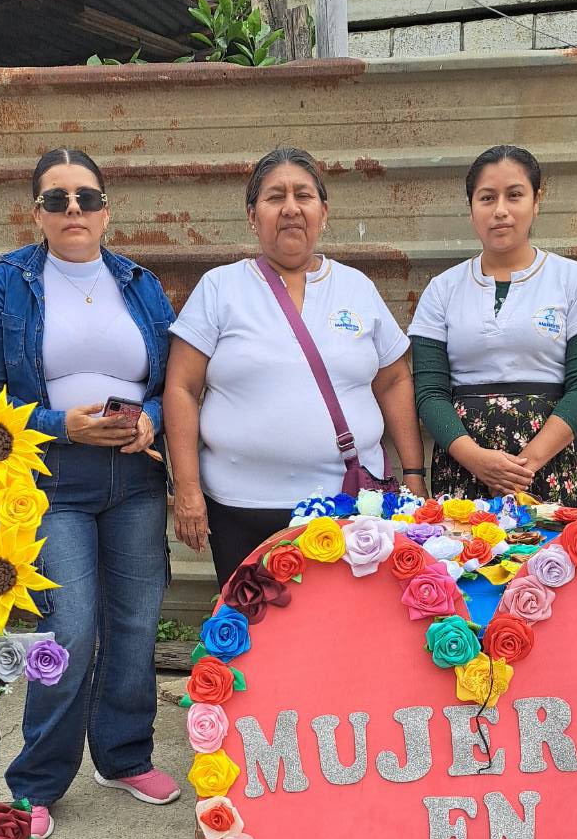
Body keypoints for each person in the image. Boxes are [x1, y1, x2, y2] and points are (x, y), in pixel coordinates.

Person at [0, 147, 179, 839]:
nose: (74, 209)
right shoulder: (5, 285)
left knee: (136, 623)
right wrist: (62, 426)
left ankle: (124, 756)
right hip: (52, 482)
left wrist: (152, 419)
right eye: (58, 199)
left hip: (136, 479)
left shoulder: (140, 284)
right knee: (71, 627)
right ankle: (37, 781)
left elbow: (175, 383)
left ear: (107, 210)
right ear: (38, 213)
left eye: (87, 197)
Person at [164, 146, 427, 587]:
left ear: (323, 212)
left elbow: (395, 379)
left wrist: (414, 475)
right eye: (275, 197)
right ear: (253, 216)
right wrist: (187, 490)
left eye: (303, 195)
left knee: (341, 624)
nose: (290, 208)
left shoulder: (357, 288)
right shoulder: (219, 288)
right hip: (240, 510)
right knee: (251, 625)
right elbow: (181, 389)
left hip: (347, 508)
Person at [409, 145, 577, 506]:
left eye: (514, 195)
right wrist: (478, 461)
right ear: (471, 208)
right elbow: (429, 392)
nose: (500, 210)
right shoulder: (442, 290)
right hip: (464, 471)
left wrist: (524, 466)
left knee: (554, 545)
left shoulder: (576, 280)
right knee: (465, 544)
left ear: (536, 201)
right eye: (487, 198)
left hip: (550, 466)